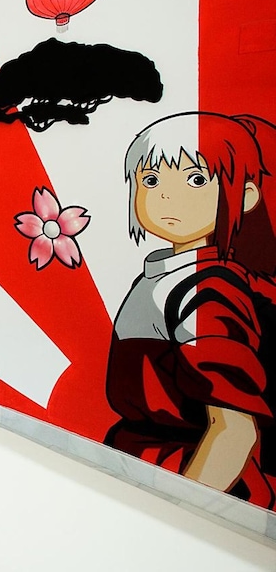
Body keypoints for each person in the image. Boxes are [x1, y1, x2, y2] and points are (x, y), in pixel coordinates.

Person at [105, 111, 276, 508]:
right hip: (146, 468)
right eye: (151, 180)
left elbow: (234, 431)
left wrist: (179, 510)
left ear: (245, 196)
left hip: (184, 477)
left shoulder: (208, 291)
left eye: (196, 179)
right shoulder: (163, 276)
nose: (166, 195)